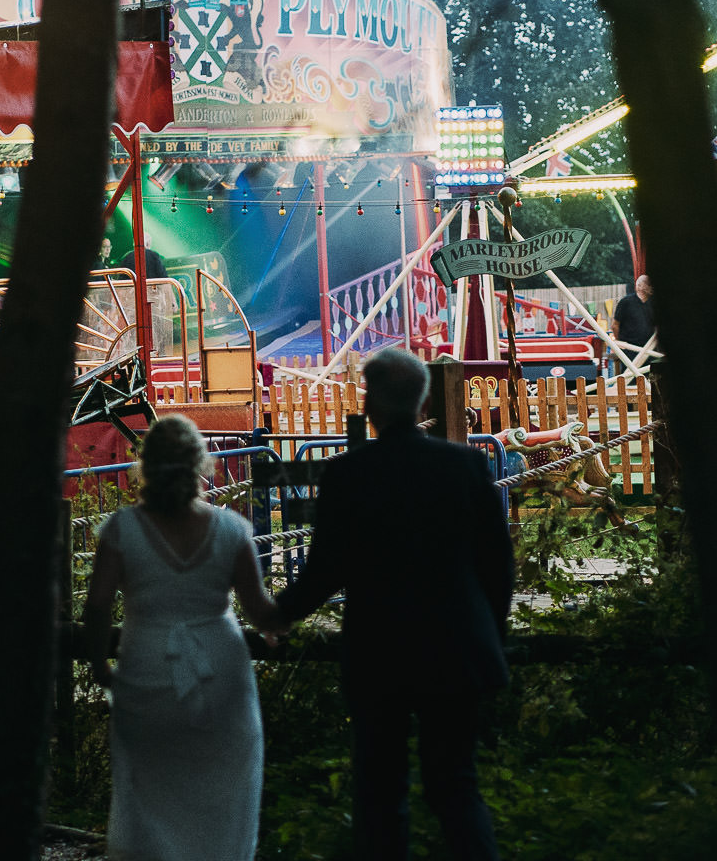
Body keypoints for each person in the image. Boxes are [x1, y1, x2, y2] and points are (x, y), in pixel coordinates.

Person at [270, 348, 514, 861]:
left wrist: (278, 615)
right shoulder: (466, 466)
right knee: (455, 786)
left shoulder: (347, 475)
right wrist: (493, 633)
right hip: (457, 648)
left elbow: (324, 570)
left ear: (371, 405)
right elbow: (498, 566)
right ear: (423, 400)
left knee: (380, 793)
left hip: (379, 652)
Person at [83, 415, 280, 861]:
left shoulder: (122, 530)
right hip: (221, 671)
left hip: (145, 664)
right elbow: (261, 611)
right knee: (224, 786)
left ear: (145, 466)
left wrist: (101, 666)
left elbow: (95, 607)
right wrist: (295, 613)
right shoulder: (231, 530)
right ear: (201, 465)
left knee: (147, 790)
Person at [118, 233, 174, 355]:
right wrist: (173, 302)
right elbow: (165, 282)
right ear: (148, 244)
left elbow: (121, 287)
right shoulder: (154, 256)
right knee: (158, 332)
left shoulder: (127, 258)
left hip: (133, 303)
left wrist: (120, 308)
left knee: (134, 332)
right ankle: (159, 358)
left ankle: (136, 358)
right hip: (154, 302)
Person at [610, 273, 655, 376]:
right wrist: (622, 344)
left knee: (651, 378)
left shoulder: (653, 303)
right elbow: (615, 325)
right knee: (630, 378)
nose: (652, 287)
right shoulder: (626, 302)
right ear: (639, 286)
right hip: (630, 349)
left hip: (650, 349)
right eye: (649, 284)